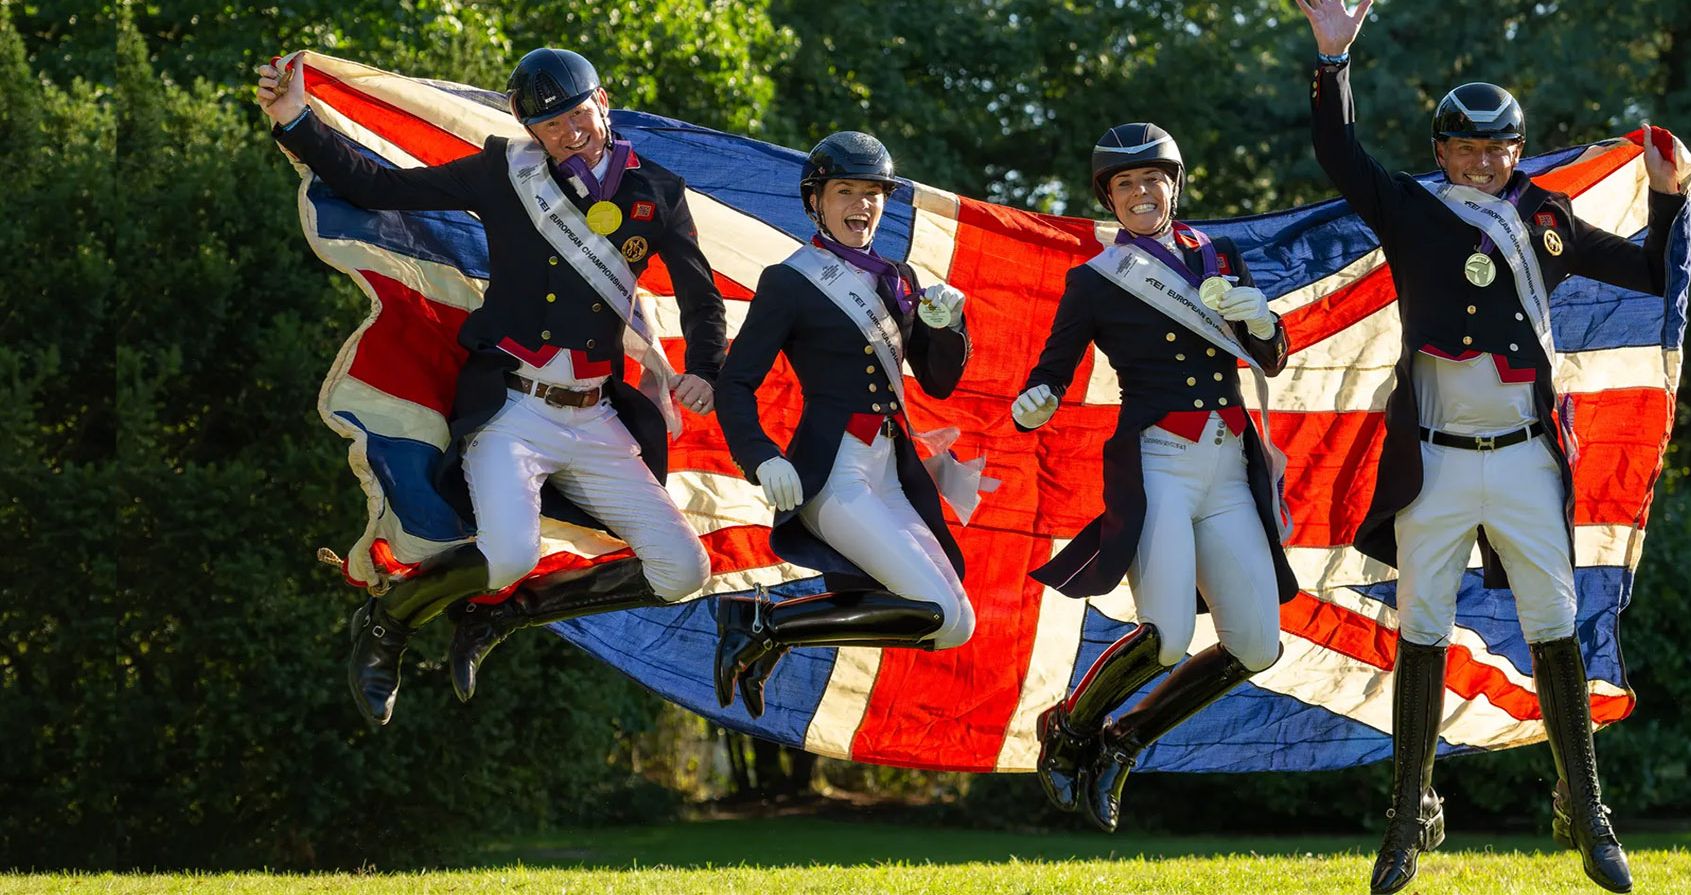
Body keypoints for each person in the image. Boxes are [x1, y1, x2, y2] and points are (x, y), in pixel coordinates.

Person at [1296, 1, 1691, 892]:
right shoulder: (1409, 208)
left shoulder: (1546, 217)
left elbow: (1647, 273)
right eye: (1466, 148)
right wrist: (1333, 58)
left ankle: (1585, 808)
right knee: (1422, 630)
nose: (1483, 162)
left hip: (1524, 455)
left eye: (1498, 148)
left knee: (1554, 625)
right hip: (1435, 458)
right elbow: (1339, 153)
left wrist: (1668, 200)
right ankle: (1407, 817)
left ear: (1518, 149)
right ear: (1441, 152)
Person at [254, 47, 729, 726]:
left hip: (596, 417)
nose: (569, 132)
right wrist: (295, 120)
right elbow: (380, 188)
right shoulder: (504, 174)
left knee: (684, 571)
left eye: (578, 114)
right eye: (551, 124)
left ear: (603, 101)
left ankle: (504, 615)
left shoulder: (657, 190)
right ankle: (389, 621)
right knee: (508, 554)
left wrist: (704, 367)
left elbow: (701, 298)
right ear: (530, 129)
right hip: (512, 410)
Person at [1015, 123, 1296, 832]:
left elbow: (1269, 358)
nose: (1142, 192)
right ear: (1108, 198)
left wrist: (1265, 323)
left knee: (1258, 644)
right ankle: (1070, 728)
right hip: (1160, 463)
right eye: (1126, 184)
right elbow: (1052, 368)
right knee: (1166, 637)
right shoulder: (1095, 278)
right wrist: (1038, 397)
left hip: (1228, 466)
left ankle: (1125, 740)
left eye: (1153, 180)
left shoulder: (1220, 255)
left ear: (1174, 185)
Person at [711, 132, 975, 719]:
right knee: (934, 609)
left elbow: (938, 383)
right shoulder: (790, 280)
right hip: (832, 474)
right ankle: (762, 627)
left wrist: (948, 328)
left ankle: (767, 629)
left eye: (873, 193)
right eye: (846, 191)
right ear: (817, 202)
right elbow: (735, 384)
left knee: (957, 625)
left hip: (889, 473)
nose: (862, 205)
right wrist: (761, 456)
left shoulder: (900, 278)